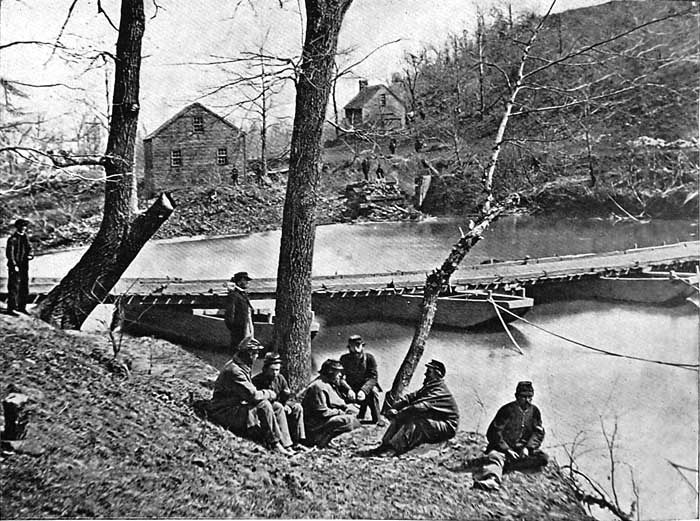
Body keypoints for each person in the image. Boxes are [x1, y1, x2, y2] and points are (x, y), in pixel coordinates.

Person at [207, 338, 297, 455]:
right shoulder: (235, 371)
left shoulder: (242, 366)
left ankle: (286, 444)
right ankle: (274, 444)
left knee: (277, 407)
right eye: (256, 353)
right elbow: (253, 395)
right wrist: (270, 393)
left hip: (235, 407)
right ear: (249, 354)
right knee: (264, 405)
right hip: (225, 411)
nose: (257, 356)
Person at [368, 360, 459, 456]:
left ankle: (394, 448)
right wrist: (396, 406)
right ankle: (385, 445)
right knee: (404, 417)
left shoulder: (439, 390)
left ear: (437, 374)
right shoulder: (430, 387)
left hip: (448, 426)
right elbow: (411, 397)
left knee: (417, 422)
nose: (425, 374)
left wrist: (399, 413)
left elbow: (418, 407)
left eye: (429, 372)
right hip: (437, 420)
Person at [472, 381, 548, 491]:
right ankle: (493, 479)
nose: (527, 400)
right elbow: (494, 432)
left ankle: (510, 466)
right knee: (494, 456)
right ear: (517, 396)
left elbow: (538, 432)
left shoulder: (534, 411)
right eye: (524, 397)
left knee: (543, 458)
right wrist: (507, 449)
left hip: (522, 451)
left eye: (530, 397)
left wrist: (528, 448)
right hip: (504, 451)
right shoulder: (507, 410)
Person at [252, 352, 309, 451]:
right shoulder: (258, 380)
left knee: (297, 407)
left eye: (277, 370)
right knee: (278, 407)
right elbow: (257, 400)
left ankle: (298, 442)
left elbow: (287, 395)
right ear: (265, 368)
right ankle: (286, 445)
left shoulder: (280, 378)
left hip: (280, 404)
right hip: (268, 409)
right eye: (272, 370)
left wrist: (286, 404)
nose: (275, 373)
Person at [302, 359, 360, 448]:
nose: (340, 375)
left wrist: (347, 408)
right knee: (347, 420)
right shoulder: (318, 386)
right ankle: (322, 441)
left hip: (322, 421)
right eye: (338, 372)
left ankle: (329, 439)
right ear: (330, 372)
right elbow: (322, 412)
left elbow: (336, 402)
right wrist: (341, 412)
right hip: (315, 426)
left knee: (354, 419)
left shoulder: (328, 383)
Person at [339, 334, 381, 423]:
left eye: (358, 345)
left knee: (373, 393)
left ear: (363, 346)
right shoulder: (344, 359)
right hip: (350, 386)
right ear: (349, 347)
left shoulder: (369, 358)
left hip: (365, 386)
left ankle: (376, 419)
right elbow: (340, 377)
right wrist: (348, 389)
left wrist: (364, 390)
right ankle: (343, 420)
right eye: (352, 346)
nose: (355, 349)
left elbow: (373, 377)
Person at [5, 218, 34, 315]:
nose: (23, 228)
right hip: (15, 266)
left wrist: (30, 255)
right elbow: (10, 254)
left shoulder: (25, 238)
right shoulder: (12, 239)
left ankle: (22, 307)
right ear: (18, 227)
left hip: (24, 266)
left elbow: (30, 248)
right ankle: (11, 308)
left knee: (24, 286)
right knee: (14, 287)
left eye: (25, 226)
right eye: (22, 226)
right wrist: (14, 265)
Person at [224, 271, 254, 350]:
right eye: (246, 280)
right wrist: (235, 329)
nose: (247, 282)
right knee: (238, 351)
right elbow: (229, 316)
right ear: (239, 282)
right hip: (239, 330)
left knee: (246, 351)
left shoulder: (242, 294)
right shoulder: (234, 295)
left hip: (245, 328)